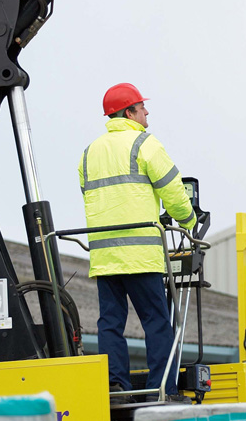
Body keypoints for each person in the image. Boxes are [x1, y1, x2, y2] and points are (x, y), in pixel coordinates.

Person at [78, 82, 196, 400]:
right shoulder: (145, 144)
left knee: (110, 323)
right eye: (142, 107)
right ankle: (163, 389)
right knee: (156, 321)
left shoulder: (89, 153)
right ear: (129, 112)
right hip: (141, 255)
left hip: (105, 258)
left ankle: (117, 385)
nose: (147, 112)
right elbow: (173, 190)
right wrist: (189, 221)